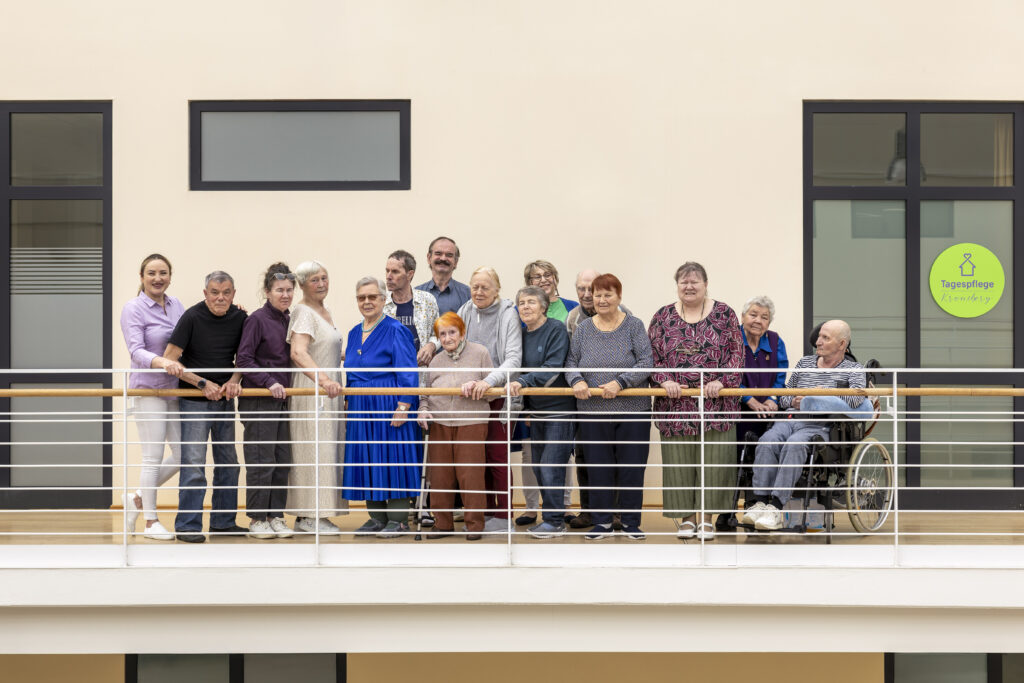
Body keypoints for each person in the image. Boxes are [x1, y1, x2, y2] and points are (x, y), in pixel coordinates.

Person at [743, 320, 871, 531]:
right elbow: (784, 397)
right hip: (793, 418)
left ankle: (775, 507)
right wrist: (794, 401)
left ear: (841, 344)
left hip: (822, 425)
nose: (818, 342)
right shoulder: (805, 363)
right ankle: (760, 502)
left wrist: (820, 394)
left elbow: (856, 401)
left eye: (825, 338)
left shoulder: (853, 369)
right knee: (767, 440)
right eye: (819, 336)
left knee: (795, 444)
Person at [649, 262, 743, 542]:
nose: (689, 287)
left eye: (695, 282)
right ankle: (687, 519)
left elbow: (737, 354)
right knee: (679, 463)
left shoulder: (725, 313)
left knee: (715, 462)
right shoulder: (662, 316)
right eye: (683, 282)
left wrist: (722, 381)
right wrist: (664, 379)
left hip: (716, 404)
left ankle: (707, 519)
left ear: (705, 284)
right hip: (675, 404)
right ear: (677, 285)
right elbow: (652, 356)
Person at [161, 271, 247, 544]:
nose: (220, 297)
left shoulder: (240, 318)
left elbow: (244, 358)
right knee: (194, 465)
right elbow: (169, 359)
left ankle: (223, 523)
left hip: (224, 400)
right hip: (194, 401)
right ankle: (187, 525)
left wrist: (234, 381)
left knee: (229, 465)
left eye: (226, 292)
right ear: (205, 293)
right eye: (214, 292)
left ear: (233, 294)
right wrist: (201, 383)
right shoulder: (191, 317)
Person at [565, 274, 652, 541]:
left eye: (608, 294)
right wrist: (577, 380)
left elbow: (646, 361)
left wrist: (621, 382)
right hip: (592, 411)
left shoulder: (633, 326)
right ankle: (601, 523)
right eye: (597, 294)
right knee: (597, 467)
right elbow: (570, 363)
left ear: (619, 297)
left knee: (631, 467)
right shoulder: (583, 329)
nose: (601, 299)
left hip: (633, 410)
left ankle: (630, 524)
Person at [344, 277, 423, 538]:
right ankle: (376, 517)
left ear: (383, 299)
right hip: (359, 404)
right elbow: (350, 371)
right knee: (366, 458)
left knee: (393, 459)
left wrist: (404, 405)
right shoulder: (354, 332)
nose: (366, 302)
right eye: (361, 298)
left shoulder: (395, 329)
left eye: (372, 297)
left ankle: (398, 519)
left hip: (389, 402)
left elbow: (407, 370)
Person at [119, 253, 185, 541]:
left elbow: (190, 333)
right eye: (151, 273)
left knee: (184, 455)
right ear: (142, 277)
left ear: (170, 276)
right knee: (152, 457)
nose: (158, 278)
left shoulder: (177, 305)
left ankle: (135, 497)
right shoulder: (133, 308)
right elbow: (136, 350)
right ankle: (150, 522)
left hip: (174, 389)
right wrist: (161, 362)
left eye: (163, 273)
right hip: (148, 390)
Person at [456, 267, 522, 533]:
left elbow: (514, 359)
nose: (479, 292)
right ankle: (481, 514)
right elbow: (452, 345)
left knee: (497, 457)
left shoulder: (508, 314)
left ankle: (504, 516)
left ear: (497, 290)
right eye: (475, 287)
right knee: (476, 458)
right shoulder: (465, 311)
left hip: (497, 396)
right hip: (471, 397)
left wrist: (488, 382)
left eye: (485, 287)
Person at [417, 312, 492, 540]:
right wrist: (423, 409)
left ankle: (474, 525)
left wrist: (480, 385)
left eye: (452, 332)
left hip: (471, 421)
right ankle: (443, 524)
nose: (448, 338)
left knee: (470, 474)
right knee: (440, 475)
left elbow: (493, 389)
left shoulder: (480, 353)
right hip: (439, 422)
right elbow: (425, 394)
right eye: (443, 334)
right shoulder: (436, 360)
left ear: (462, 332)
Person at [508, 286, 575, 539]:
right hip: (534, 412)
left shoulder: (555, 329)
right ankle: (551, 519)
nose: (525, 307)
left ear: (544, 306)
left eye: (531, 302)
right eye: (521, 303)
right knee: (538, 467)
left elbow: (553, 367)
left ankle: (554, 521)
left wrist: (524, 382)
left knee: (551, 466)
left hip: (559, 412)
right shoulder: (522, 335)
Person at [286, 260, 347, 534]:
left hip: (329, 392)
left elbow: (327, 350)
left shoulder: (325, 311)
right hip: (313, 392)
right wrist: (323, 380)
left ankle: (316, 513)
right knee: (314, 450)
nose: (321, 284)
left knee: (327, 449)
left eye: (324, 277)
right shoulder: (303, 311)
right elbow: (298, 352)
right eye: (314, 280)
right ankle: (309, 516)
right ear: (302, 285)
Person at [235, 263, 295, 540]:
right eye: (279, 290)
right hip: (260, 400)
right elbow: (244, 359)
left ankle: (275, 515)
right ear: (267, 292)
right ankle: (257, 518)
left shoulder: (288, 319)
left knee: (282, 460)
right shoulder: (257, 320)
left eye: (289, 290)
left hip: (283, 401)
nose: (285, 295)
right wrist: (269, 381)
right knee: (261, 460)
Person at [384, 249, 441, 366]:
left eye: (395, 271)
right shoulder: (380, 304)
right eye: (387, 271)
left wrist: (432, 345)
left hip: (420, 374)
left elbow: (438, 333)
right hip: (388, 375)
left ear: (410, 274)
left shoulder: (427, 300)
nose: (389, 276)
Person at [415, 236, 471, 314]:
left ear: (456, 262)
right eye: (438, 253)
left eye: (449, 255)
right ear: (429, 258)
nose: (443, 258)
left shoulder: (468, 294)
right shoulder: (416, 294)